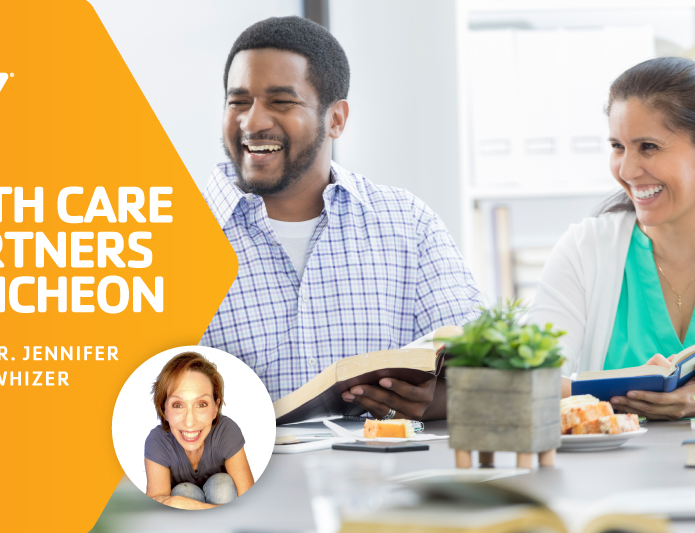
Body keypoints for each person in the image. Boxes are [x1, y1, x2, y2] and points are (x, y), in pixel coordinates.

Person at [200, 16, 482, 421]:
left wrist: (438, 402)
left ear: (336, 119)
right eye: (238, 101)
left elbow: (485, 368)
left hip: (384, 480)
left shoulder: (407, 224)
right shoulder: (171, 237)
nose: (253, 121)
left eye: (281, 102)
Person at [528, 56, 695, 420]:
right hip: (610, 476)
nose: (627, 170)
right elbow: (525, 383)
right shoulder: (585, 251)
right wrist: (626, 386)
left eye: (648, 146)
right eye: (618, 146)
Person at [144, 352, 254, 509]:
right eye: (178, 405)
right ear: (164, 410)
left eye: (201, 404)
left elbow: (251, 505)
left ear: (215, 408)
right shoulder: (157, 441)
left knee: (222, 484)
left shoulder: (227, 431)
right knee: (183, 492)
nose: (190, 422)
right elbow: (154, 510)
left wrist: (190, 507)